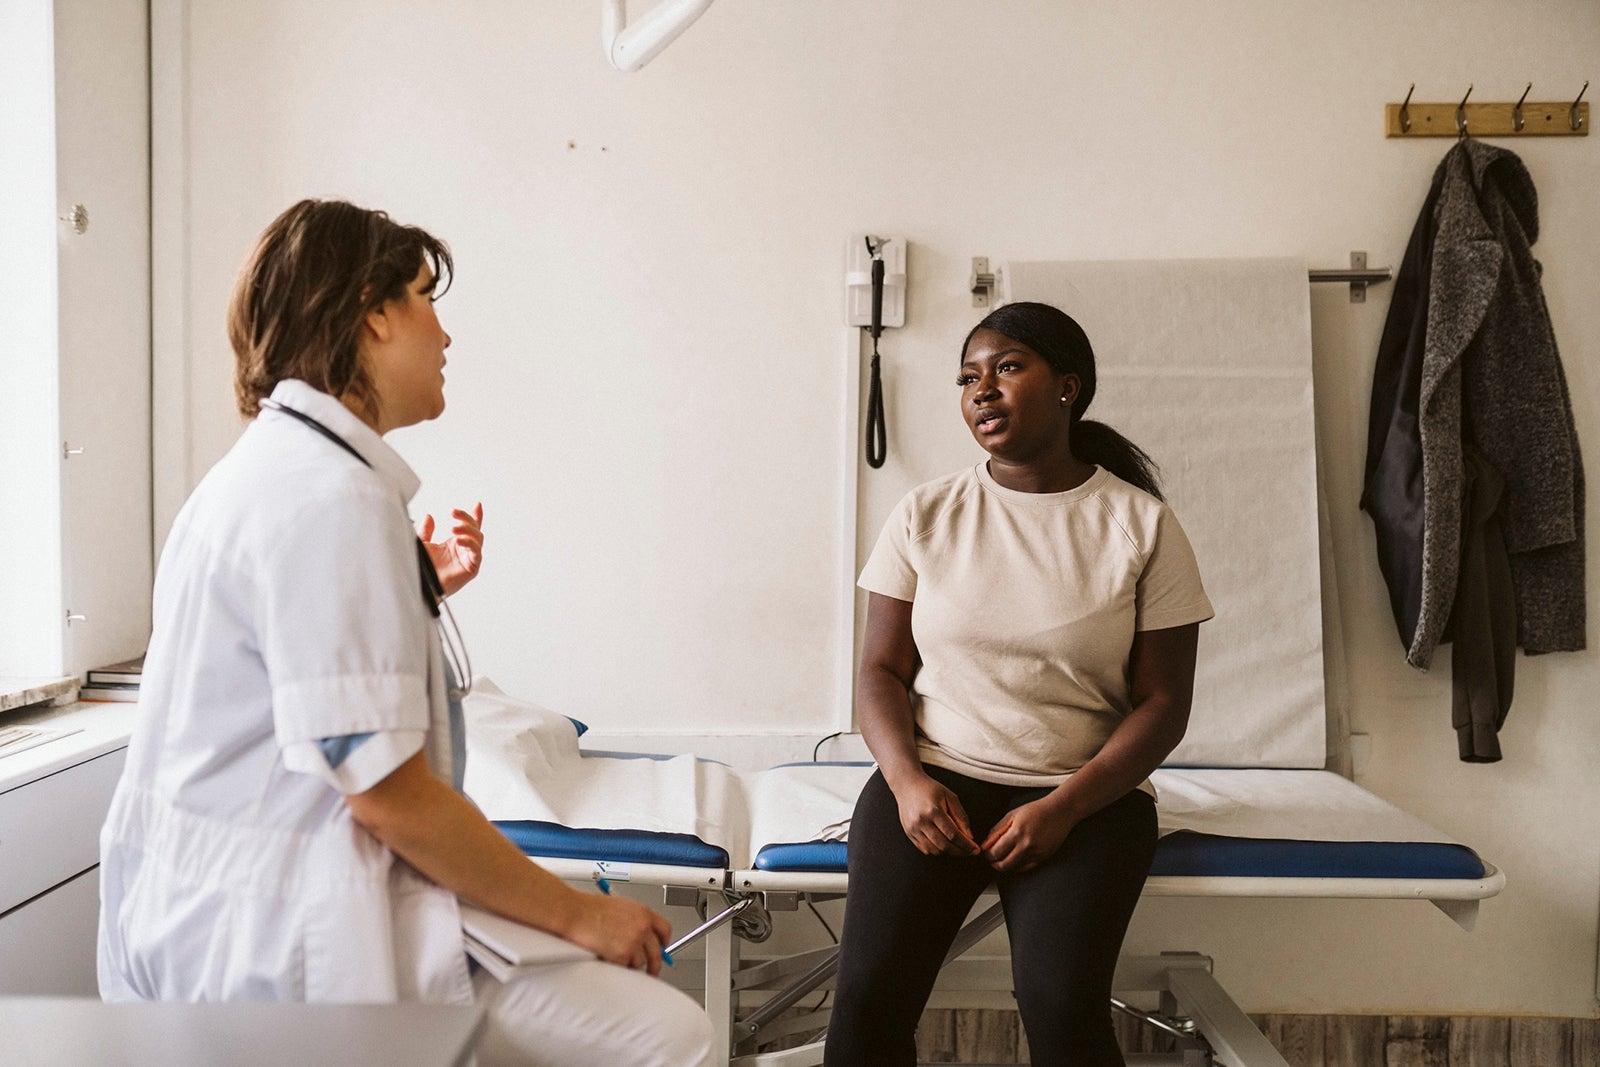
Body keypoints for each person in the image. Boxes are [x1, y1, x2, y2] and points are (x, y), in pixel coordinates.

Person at [97, 199, 715, 1067]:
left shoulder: (273, 476)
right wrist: (586, 910)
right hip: (283, 944)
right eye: (427, 298)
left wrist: (416, 585)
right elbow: (387, 793)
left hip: (217, 918)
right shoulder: (330, 500)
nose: (446, 334)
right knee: (671, 1033)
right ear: (373, 311)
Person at [824, 302, 1214, 1066]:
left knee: (1062, 1008)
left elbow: (1164, 704)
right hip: (933, 788)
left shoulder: (1140, 525)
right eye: (969, 376)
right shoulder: (926, 513)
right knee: (866, 1007)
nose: (982, 390)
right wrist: (905, 782)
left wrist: (1065, 805)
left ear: (1068, 387)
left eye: (1006, 368)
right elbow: (879, 671)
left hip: (1086, 801)